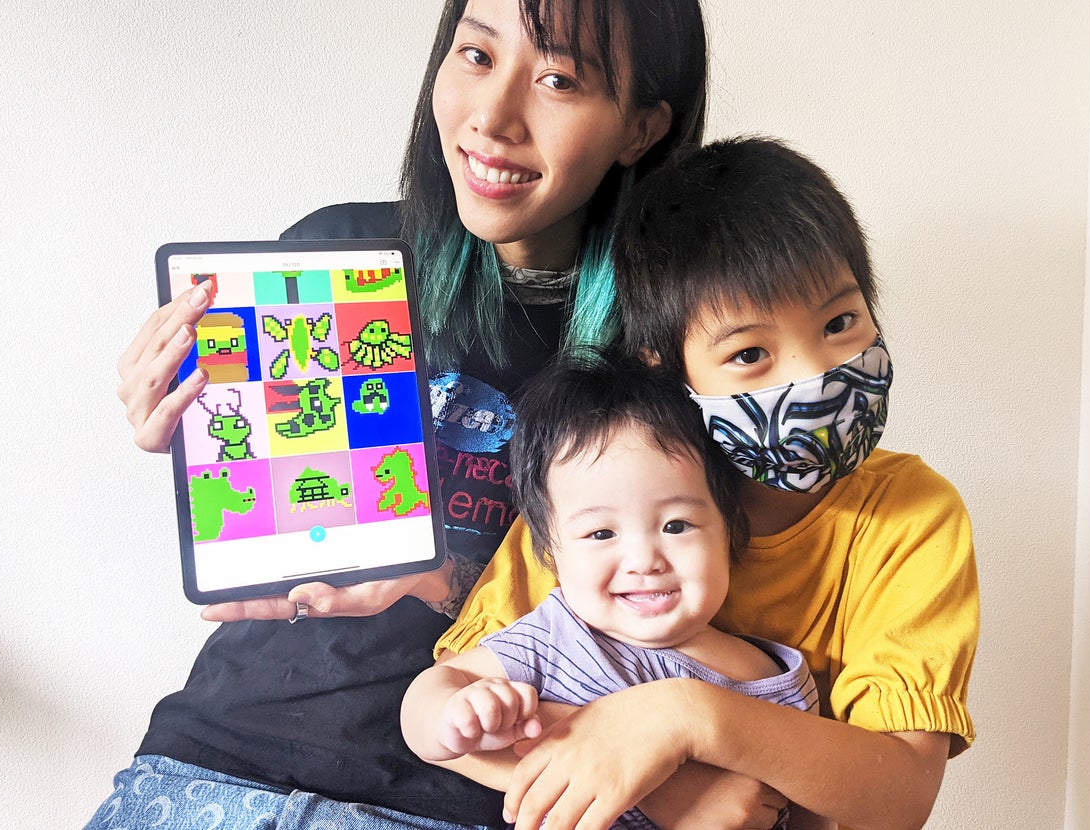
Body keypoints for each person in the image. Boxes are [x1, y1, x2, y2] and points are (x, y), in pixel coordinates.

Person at [96, 1, 708, 828]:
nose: (492, 119)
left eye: (559, 79)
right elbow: (262, 514)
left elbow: (664, 600)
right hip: (209, 763)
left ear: (641, 128)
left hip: (457, 794)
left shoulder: (675, 337)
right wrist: (188, 425)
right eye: (476, 56)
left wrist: (444, 581)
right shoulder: (336, 250)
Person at [435, 136, 980, 830]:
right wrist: (671, 790)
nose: (812, 376)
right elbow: (454, 715)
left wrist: (687, 718)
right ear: (662, 365)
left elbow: (900, 796)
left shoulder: (912, 515)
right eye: (749, 352)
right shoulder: (607, 486)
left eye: (840, 322)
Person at [401, 357, 821, 830]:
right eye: (601, 533)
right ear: (550, 553)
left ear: (728, 530)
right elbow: (429, 694)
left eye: (676, 525)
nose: (644, 560)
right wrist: (455, 713)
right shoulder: (558, 638)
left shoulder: (773, 680)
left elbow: (817, 808)